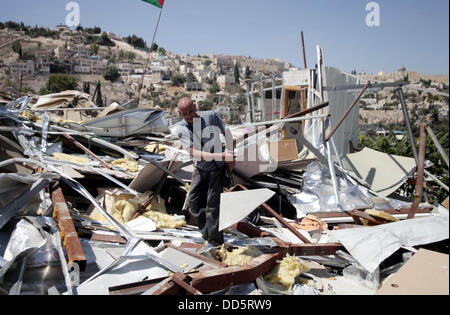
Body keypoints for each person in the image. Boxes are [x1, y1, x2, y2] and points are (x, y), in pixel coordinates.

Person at [174, 97, 235, 245]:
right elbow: (194, 153)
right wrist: (221, 155)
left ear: (195, 107)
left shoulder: (211, 116)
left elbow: (227, 132)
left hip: (217, 169)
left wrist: (231, 155)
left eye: (191, 111)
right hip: (201, 168)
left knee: (213, 206)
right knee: (193, 202)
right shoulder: (182, 128)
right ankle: (208, 233)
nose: (189, 115)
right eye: (185, 113)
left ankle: (215, 241)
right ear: (179, 113)